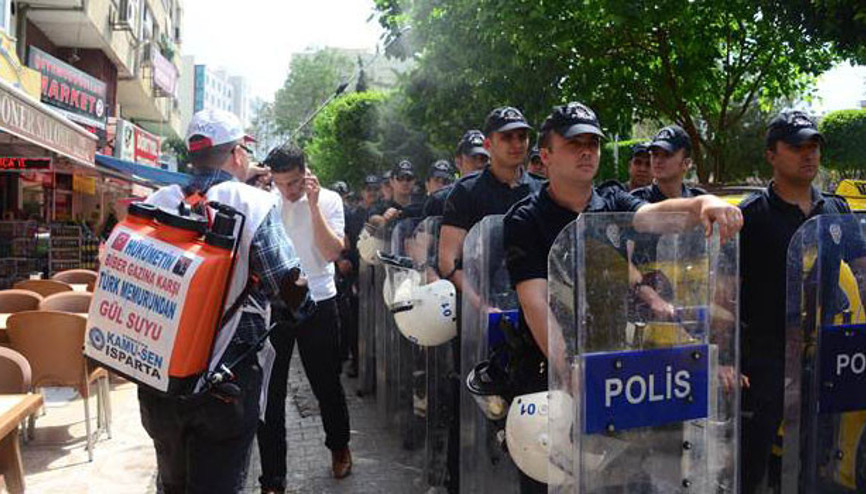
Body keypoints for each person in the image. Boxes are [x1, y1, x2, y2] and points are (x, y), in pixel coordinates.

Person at [503, 102, 743, 493]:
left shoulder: (611, 203)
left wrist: (702, 204)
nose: (586, 151)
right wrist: (567, 369)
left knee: (623, 478)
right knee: (553, 479)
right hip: (550, 374)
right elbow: (535, 303)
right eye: (574, 143)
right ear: (545, 155)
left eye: (593, 143)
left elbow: (656, 215)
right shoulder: (525, 219)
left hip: (612, 369)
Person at [138, 109, 307, 493]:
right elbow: (290, 288)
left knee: (173, 485)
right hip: (226, 383)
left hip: (159, 383)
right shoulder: (253, 203)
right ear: (235, 155)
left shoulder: (156, 200)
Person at [738, 110, 866, 493]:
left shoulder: (836, 211)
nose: (809, 154)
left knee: (814, 454)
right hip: (764, 360)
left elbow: (862, 271)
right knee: (754, 460)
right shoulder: (750, 216)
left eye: (814, 146)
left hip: (823, 356)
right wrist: (730, 359)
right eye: (797, 147)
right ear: (771, 155)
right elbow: (726, 292)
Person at [258, 145, 353, 491]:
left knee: (325, 382)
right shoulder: (264, 201)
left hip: (319, 301)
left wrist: (312, 207)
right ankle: (272, 476)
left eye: (295, 182)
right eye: (282, 184)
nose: (290, 191)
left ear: (306, 171)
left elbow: (331, 252)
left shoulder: (327, 200)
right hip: (276, 305)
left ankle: (339, 445)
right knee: (270, 393)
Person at [422, 129, 491, 218]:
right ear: (458, 162)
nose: (479, 164)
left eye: (483, 159)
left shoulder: (499, 196)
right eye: (473, 158)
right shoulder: (441, 201)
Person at [632, 125, 706, 202]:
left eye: (667, 155)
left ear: (686, 164)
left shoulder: (699, 199)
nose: (658, 160)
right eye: (655, 154)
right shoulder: (637, 199)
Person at [369, 160, 424, 225]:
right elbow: (372, 218)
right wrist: (384, 219)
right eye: (400, 178)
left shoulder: (421, 207)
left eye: (409, 178)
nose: (405, 183)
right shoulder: (382, 207)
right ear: (392, 181)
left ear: (414, 181)